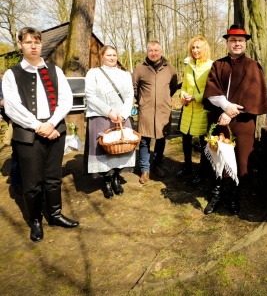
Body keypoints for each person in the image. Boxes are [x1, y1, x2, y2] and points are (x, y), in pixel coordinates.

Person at [2, 27, 78, 243]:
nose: (33, 46)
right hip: (28, 136)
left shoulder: (55, 70)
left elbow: (66, 99)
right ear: (20, 45)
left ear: (41, 44)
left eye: (36, 42)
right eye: (28, 42)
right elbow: (12, 108)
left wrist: (52, 123)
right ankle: (35, 221)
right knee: (32, 182)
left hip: (55, 132)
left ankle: (54, 215)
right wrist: (38, 126)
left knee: (53, 178)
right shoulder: (12, 74)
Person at [202, 24, 267, 215]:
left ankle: (233, 195)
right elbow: (212, 90)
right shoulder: (218, 65)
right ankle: (217, 193)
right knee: (219, 156)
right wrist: (225, 106)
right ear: (227, 43)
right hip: (219, 120)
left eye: (240, 40)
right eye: (233, 40)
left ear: (245, 43)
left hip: (243, 124)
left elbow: (253, 94)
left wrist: (230, 112)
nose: (237, 44)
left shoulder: (253, 66)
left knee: (239, 160)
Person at [85, 45, 136, 199]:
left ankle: (115, 178)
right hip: (101, 116)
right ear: (102, 56)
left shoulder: (125, 74)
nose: (112, 58)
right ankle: (106, 180)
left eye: (114, 55)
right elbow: (90, 95)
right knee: (104, 148)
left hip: (121, 117)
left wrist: (123, 114)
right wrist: (109, 112)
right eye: (108, 55)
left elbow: (129, 96)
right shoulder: (93, 73)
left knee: (120, 146)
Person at [132, 41, 178, 184]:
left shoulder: (169, 68)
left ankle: (157, 165)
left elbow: (174, 87)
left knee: (161, 139)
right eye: (150, 50)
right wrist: (143, 101)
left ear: (161, 51)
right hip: (146, 110)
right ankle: (145, 169)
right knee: (145, 141)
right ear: (147, 51)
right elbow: (133, 88)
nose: (154, 53)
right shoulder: (140, 68)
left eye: (156, 50)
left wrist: (163, 98)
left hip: (163, 110)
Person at [175, 37, 213, 184]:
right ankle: (187, 167)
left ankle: (202, 172)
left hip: (202, 109)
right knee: (185, 139)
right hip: (187, 110)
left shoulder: (211, 65)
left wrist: (195, 97)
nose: (195, 50)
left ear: (205, 49)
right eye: (193, 48)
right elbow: (184, 86)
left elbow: (212, 90)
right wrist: (183, 95)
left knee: (203, 143)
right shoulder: (189, 65)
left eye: (198, 47)